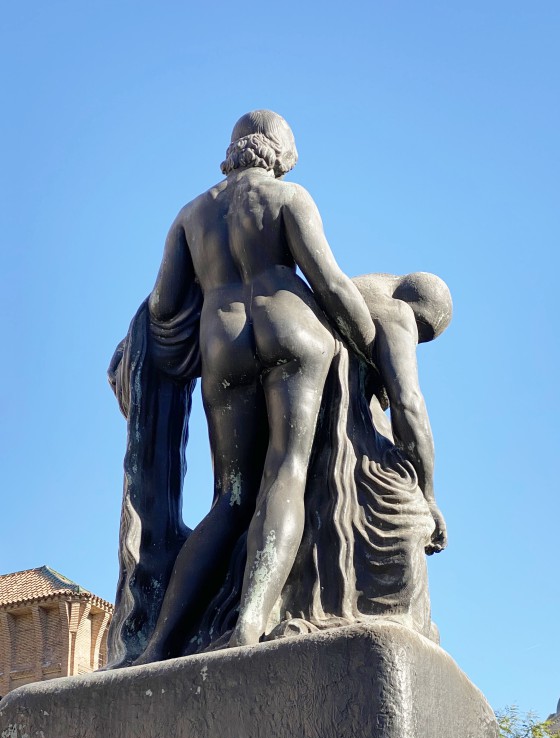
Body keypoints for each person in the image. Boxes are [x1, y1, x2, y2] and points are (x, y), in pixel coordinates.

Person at [134, 110, 376, 662]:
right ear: (280, 156)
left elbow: (164, 306)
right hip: (291, 329)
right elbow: (332, 283)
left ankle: (160, 644)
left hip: (222, 341)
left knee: (229, 498)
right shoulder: (289, 199)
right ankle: (248, 622)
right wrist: (371, 348)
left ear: (234, 149)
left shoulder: (191, 215)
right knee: (285, 471)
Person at [353, 271, 452, 555]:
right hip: (343, 433)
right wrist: (429, 497)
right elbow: (408, 402)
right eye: (421, 334)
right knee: (405, 521)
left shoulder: (356, 290)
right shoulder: (397, 313)